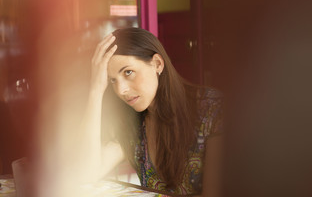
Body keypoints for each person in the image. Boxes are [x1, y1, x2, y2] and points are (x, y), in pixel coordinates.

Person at [82, 27, 224, 196]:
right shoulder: (133, 122)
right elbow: (86, 174)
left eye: (128, 72)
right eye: (112, 80)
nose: (121, 90)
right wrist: (95, 90)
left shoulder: (212, 109)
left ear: (157, 63)